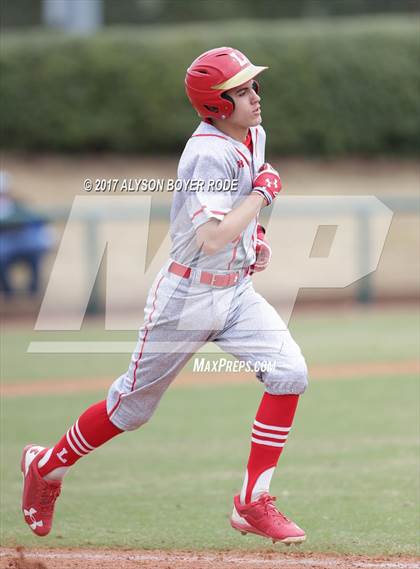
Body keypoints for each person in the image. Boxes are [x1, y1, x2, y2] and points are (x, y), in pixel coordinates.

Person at [21, 47, 308, 545]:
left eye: (252, 86)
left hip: (236, 292)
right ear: (216, 105)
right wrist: (262, 196)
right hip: (186, 298)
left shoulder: (252, 134)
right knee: (130, 409)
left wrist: (255, 235)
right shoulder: (206, 152)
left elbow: (234, 224)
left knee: (289, 374)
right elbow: (212, 237)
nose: (254, 96)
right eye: (241, 91)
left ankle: (252, 502)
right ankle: (46, 466)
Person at [0, 171, 53, 297]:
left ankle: (33, 292)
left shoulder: (20, 206)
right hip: (4, 251)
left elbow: (39, 224)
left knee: (35, 256)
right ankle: (8, 294)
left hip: (25, 247)